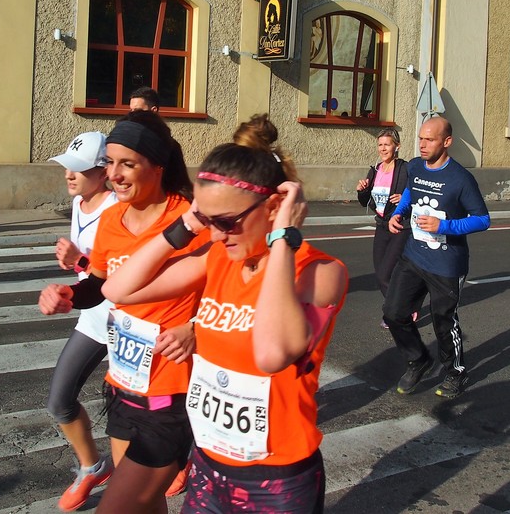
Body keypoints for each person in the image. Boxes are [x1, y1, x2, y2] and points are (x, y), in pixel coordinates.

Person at [100, 114, 348, 512]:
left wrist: (284, 237)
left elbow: (270, 354)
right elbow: (117, 289)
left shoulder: (319, 273)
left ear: (273, 207)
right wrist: (186, 224)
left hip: (277, 479)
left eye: (227, 222)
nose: (216, 235)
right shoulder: (220, 257)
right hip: (207, 467)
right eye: (208, 221)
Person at [38, 111, 209, 513]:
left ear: (157, 167)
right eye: (110, 162)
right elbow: (98, 284)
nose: (114, 174)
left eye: (127, 164)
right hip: (123, 381)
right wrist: (69, 294)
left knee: (119, 505)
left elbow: (229, 291)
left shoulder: (188, 221)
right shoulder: (113, 219)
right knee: (147, 504)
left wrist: (194, 327)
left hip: (171, 388)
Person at [385, 116, 490, 399]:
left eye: (429, 139)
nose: (422, 144)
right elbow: (410, 190)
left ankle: (456, 372)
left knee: (444, 322)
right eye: (420, 138)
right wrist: (399, 213)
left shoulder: (461, 178)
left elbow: (483, 219)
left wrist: (444, 226)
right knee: (394, 313)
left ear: (447, 142)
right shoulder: (416, 166)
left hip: (447, 263)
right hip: (414, 254)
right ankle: (418, 360)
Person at [42, 131, 117, 512]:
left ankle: (175, 459)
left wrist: (79, 261)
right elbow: (85, 270)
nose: (69, 176)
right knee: (59, 402)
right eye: (67, 168)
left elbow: (118, 275)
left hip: (128, 322)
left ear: (103, 171)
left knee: (146, 413)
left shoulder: (120, 209)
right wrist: (72, 271)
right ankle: (92, 467)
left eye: (78, 169)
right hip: (92, 317)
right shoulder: (79, 203)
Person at [356, 128, 410, 326]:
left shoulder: (405, 168)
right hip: (381, 225)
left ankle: (395, 312)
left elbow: (416, 192)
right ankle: (402, 306)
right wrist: (361, 190)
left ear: (397, 146)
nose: (383, 148)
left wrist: (406, 199)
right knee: (380, 274)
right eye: (380, 145)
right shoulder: (376, 169)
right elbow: (364, 201)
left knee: (387, 272)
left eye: (387, 144)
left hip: (399, 226)